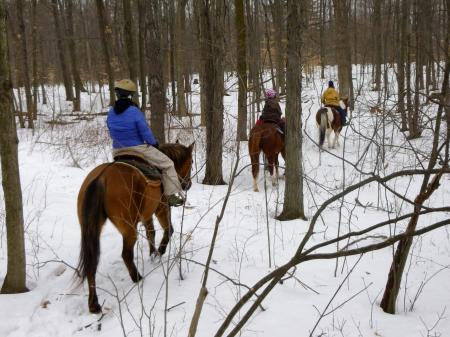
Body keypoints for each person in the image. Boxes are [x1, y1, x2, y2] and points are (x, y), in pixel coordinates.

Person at [106, 79, 185, 207]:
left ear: (117, 94)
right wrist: (153, 143)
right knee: (168, 164)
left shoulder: (111, 112)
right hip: (137, 148)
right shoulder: (134, 111)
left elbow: (111, 130)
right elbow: (144, 130)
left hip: (117, 150)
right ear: (131, 95)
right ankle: (171, 195)